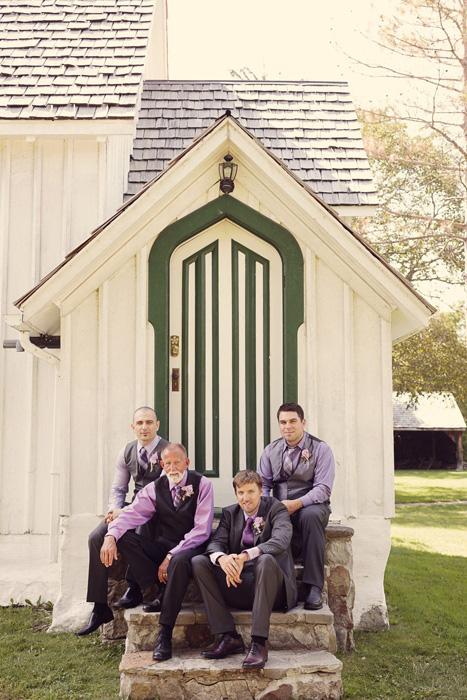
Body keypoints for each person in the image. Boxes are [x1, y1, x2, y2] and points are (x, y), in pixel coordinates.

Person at [76, 443, 214, 661]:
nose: (172, 468)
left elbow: (202, 530)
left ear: (186, 463)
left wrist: (171, 555)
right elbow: (132, 514)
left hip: (191, 549)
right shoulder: (154, 488)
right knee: (124, 537)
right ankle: (157, 584)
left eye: (177, 462)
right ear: (161, 465)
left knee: (177, 561)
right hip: (162, 546)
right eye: (167, 463)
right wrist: (111, 536)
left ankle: (165, 634)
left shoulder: (202, 484)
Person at [77, 406, 169, 634]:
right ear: (133, 427)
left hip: (158, 508)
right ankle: (100, 607)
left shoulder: (168, 450)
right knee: (96, 536)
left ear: (157, 425)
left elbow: (163, 492)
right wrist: (114, 509)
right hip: (131, 506)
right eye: (140, 423)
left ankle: (138, 586)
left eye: (149, 422)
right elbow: (119, 488)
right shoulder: (127, 451)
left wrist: (125, 515)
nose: (144, 427)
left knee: (134, 532)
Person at [192, 470, 297, 670]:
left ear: (261, 492)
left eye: (250, 492)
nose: (245, 498)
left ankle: (258, 643)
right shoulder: (230, 513)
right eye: (241, 493)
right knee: (199, 561)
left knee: (265, 559)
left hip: (273, 590)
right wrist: (223, 559)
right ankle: (229, 636)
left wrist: (245, 556)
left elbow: (281, 541)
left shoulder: (276, 509)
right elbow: (215, 544)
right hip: (241, 584)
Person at [258, 402, 335, 611]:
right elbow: (263, 485)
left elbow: (323, 489)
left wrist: (297, 504)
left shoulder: (321, 449)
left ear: (303, 422)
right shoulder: (270, 451)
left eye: (293, 421)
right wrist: (266, 507)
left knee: (310, 516)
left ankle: (313, 587)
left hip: (312, 505)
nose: (287, 426)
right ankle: (277, 588)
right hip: (281, 506)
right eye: (283, 422)